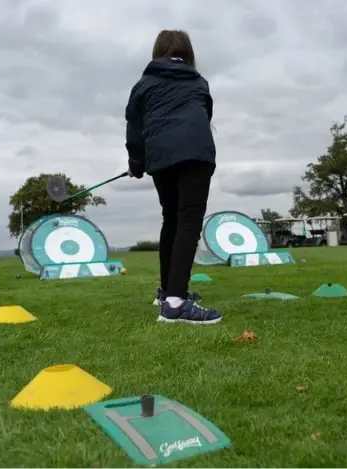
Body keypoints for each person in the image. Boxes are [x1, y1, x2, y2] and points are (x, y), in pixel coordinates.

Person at [125, 29, 222, 325]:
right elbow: (204, 116)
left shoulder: (143, 84)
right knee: (188, 222)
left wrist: (136, 162)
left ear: (158, 51)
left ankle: (168, 292)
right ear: (188, 52)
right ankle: (176, 303)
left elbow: (134, 127)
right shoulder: (198, 82)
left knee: (172, 220)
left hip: (161, 158)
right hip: (195, 155)